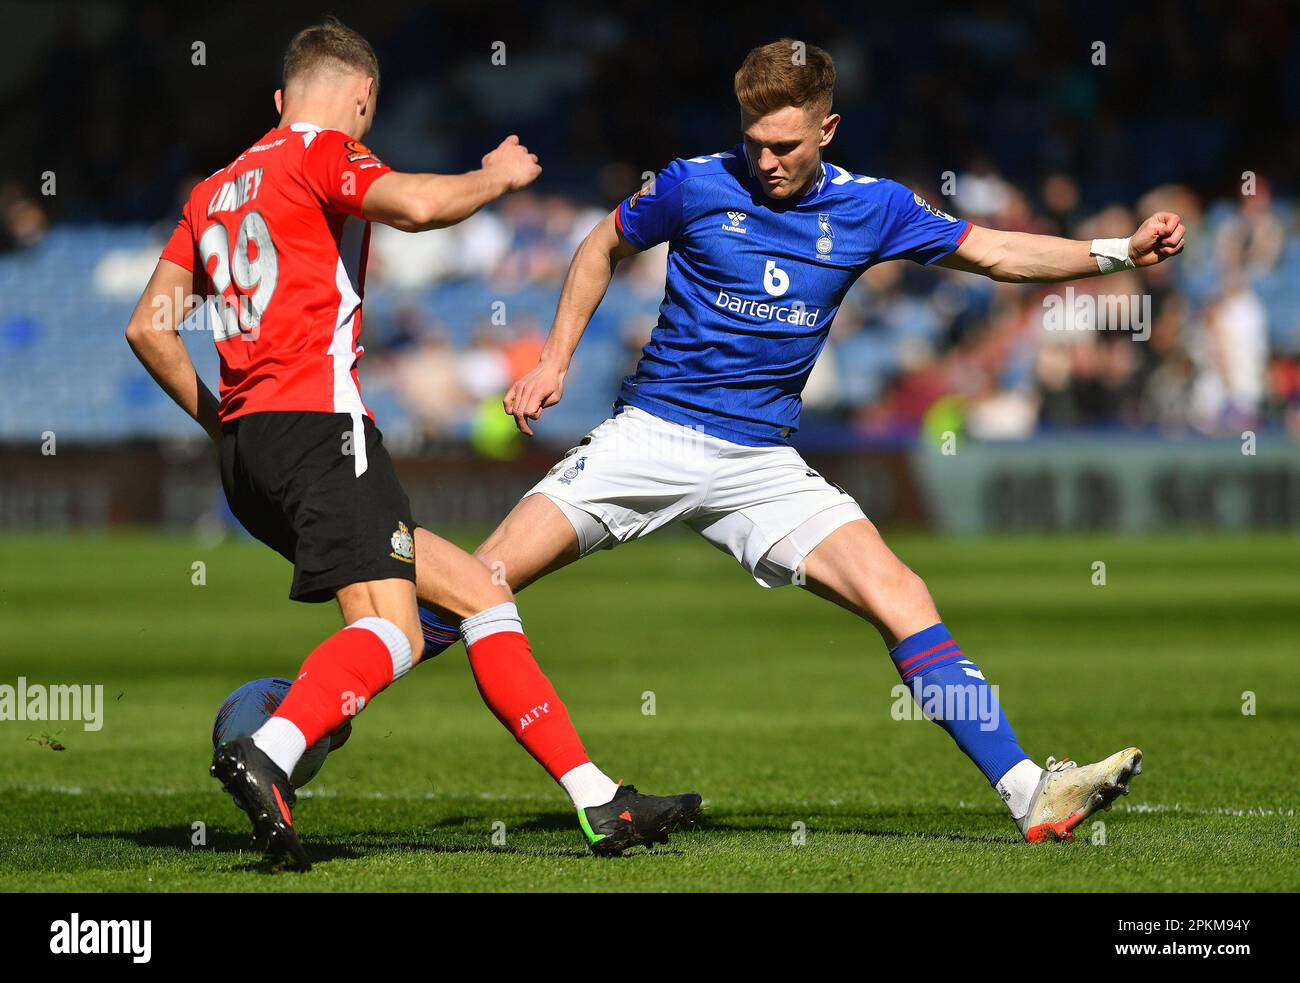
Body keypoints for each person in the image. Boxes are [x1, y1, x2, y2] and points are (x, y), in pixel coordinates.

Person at [416, 38, 1186, 842]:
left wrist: (1115, 252)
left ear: (829, 130)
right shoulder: (691, 183)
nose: (767, 159)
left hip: (761, 463)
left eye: (785, 144)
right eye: (754, 141)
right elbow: (601, 244)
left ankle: (1030, 790)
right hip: (651, 436)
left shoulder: (875, 205)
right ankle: (310, 715)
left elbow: (994, 252)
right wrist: (553, 361)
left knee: (902, 594)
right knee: (481, 579)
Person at [125, 18, 699, 869]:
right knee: (393, 627)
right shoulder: (321, 152)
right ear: (361, 100)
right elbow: (422, 206)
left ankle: (598, 801)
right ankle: (275, 748)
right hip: (321, 431)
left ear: (279, 98)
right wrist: (496, 175)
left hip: (251, 453)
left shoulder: (212, 191)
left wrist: (224, 423)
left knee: (479, 592)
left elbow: (149, 327)